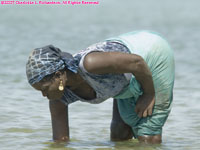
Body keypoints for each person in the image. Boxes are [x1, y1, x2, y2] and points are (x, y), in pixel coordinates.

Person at [26, 30, 175, 144]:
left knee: (148, 136)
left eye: (44, 89)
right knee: (119, 133)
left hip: (150, 56)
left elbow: (137, 63)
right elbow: (60, 142)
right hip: (122, 79)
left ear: (58, 75)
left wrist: (149, 94)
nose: (44, 95)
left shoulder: (90, 64)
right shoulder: (59, 99)